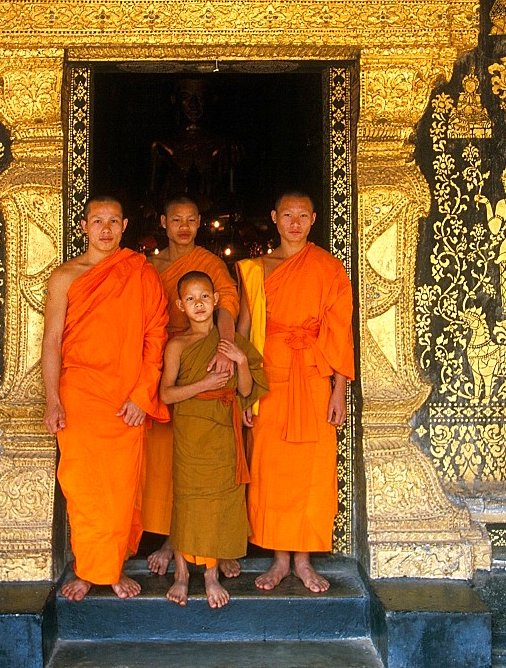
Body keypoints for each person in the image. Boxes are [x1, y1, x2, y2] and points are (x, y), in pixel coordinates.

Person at [42, 196, 168, 601]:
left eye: (114, 220)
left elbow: (155, 337)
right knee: (82, 486)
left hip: (124, 396)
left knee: (120, 486)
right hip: (79, 393)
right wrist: (51, 400)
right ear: (84, 226)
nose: (106, 228)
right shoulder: (65, 277)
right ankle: (87, 568)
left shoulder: (140, 273)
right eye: (98, 221)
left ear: (125, 224)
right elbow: (52, 343)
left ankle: (111, 568)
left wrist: (141, 394)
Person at [237, 192, 354, 594]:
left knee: (312, 473)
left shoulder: (329, 268)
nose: (295, 222)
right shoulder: (256, 270)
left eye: (303, 215)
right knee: (270, 470)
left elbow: (340, 333)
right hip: (270, 380)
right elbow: (245, 335)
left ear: (314, 219)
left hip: (314, 378)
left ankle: (303, 561)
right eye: (287, 214)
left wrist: (338, 390)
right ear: (274, 218)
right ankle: (278, 559)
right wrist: (246, 392)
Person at [143, 196, 240, 576]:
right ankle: (171, 536)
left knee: (206, 460)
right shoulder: (149, 266)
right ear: (163, 222)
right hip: (165, 355)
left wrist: (224, 348)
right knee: (167, 458)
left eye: (191, 220)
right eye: (176, 219)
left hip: (204, 351)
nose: (183, 226)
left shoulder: (210, 264)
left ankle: (210, 542)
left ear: (200, 223)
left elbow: (228, 302)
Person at [160, 272, 268, 609]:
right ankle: (181, 573)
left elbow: (246, 390)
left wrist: (240, 362)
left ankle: (210, 574)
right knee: (189, 499)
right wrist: (202, 386)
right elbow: (166, 394)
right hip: (191, 429)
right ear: (180, 305)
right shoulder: (177, 345)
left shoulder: (230, 341)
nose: (199, 304)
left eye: (205, 297)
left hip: (224, 427)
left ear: (216, 301)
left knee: (221, 498)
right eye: (190, 299)